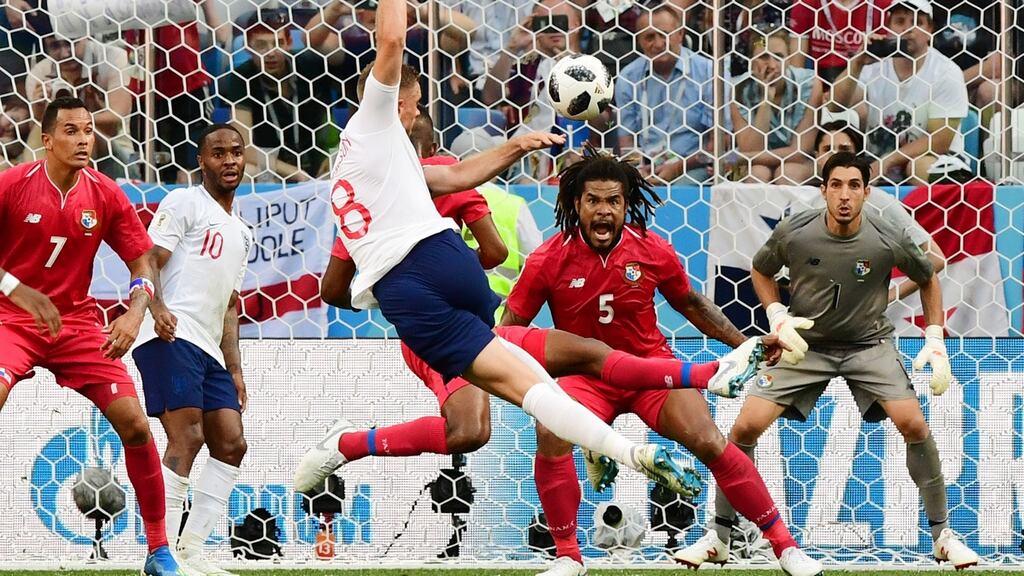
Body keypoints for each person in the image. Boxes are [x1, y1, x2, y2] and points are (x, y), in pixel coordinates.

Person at [294, 0, 706, 500]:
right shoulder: (372, 124)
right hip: (417, 287)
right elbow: (392, 43)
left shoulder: (384, 165)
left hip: (444, 286)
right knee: (482, 421)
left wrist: (520, 144)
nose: (420, 110)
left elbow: (454, 176)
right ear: (395, 102)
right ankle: (345, 445)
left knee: (556, 376)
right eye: (418, 101)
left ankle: (629, 447)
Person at [500, 148, 822, 576]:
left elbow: (691, 303)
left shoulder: (650, 249)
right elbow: (511, 328)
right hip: (585, 379)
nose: (603, 211)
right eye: (593, 200)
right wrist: (517, 380)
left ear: (626, 203)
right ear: (576, 203)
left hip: (650, 370)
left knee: (708, 441)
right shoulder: (548, 259)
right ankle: (567, 556)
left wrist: (743, 344)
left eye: (613, 201)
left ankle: (785, 547)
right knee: (550, 431)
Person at [682, 151, 978, 570]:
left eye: (853, 186)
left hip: (868, 345)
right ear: (822, 190)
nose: (844, 195)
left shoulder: (886, 232)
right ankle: (720, 537)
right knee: (744, 426)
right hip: (807, 346)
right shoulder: (797, 231)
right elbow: (760, 269)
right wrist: (777, 315)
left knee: (913, 423)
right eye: (836, 185)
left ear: (867, 192)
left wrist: (933, 336)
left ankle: (943, 537)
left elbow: (928, 272)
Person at [0, 96, 177, 575]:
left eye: (89, 131)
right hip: (10, 320)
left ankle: (159, 552)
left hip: (76, 325)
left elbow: (142, 262)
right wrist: (19, 290)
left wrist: (135, 312)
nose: (83, 140)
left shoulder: (103, 192)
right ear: (47, 139)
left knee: (137, 426)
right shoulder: (13, 185)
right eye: (72, 131)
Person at [131, 124, 252, 575]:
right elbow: (148, 260)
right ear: (202, 161)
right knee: (188, 437)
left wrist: (236, 369)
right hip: (169, 335)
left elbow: (230, 306)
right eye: (218, 153)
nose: (229, 161)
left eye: (236, 153)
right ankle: (159, 555)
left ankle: (190, 552)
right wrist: (156, 308)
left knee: (232, 443)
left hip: (210, 348)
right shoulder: (184, 202)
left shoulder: (242, 231)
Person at [832, 0, 970, 184]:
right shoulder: (874, 66)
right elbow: (835, 105)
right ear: (888, 27)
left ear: (930, 30)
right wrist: (857, 63)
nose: (908, 29)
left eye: (917, 22)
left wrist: (888, 160)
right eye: (900, 21)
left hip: (937, 161)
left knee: (915, 167)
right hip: (877, 161)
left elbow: (940, 141)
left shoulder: (947, 72)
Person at [813, 121, 946, 302]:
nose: (835, 155)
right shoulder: (804, 201)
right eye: (827, 148)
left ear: (857, 155)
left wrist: (889, 297)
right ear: (816, 156)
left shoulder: (878, 201)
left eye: (844, 149)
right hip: (817, 317)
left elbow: (936, 259)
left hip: (868, 322)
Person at [221, 9, 341, 183]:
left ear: (289, 43)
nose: (271, 52)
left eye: (278, 43)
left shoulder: (310, 66)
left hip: (317, 162)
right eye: (261, 45)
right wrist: (295, 173)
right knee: (245, 174)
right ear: (248, 46)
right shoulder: (242, 77)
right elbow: (243, 146)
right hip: (271, 168)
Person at [616, 5, 726, 184]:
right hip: (646, 166)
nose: (659, 44)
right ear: (639, 41)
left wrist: (678, 167)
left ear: (680, 34)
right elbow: (627, 140)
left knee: (681, 188)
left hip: (693, 167)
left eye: (665, 34)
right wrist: (636, 170)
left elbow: (718, 142)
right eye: (649, 37)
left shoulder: (709, 72)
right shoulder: (628, 78)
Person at [731, 28, 823, 184]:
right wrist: (766, 101)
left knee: (786, 173)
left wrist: (739, 157)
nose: (772, 65)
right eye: (763, 57)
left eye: (778, 57)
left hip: (800, 163)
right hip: (752, 164)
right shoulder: (739, 90)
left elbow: (800, 152)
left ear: (788, 60)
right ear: (751, 62)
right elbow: (750, 148)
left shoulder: (810, 84)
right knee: (757, 173)